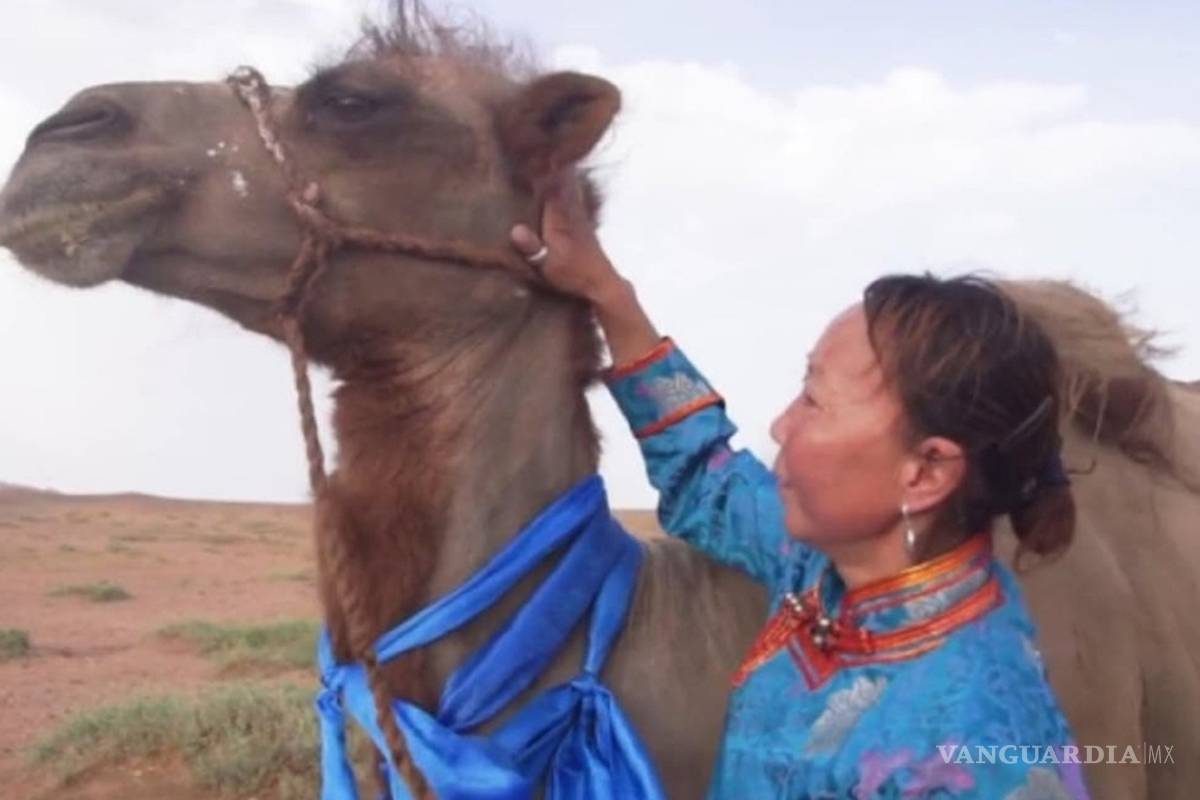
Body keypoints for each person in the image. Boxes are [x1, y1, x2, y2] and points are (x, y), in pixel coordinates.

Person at [509, 178, 1091, 799]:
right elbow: (711, 479)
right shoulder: (824, 569)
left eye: (815, 401)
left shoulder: (972, 751)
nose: (781, 425)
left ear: (924, 473)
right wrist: (606, 291)